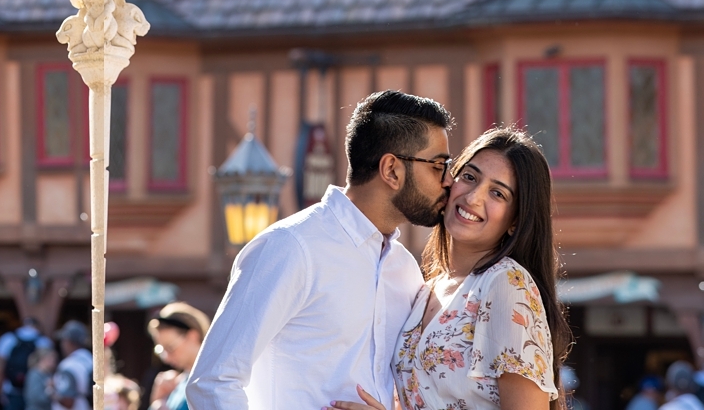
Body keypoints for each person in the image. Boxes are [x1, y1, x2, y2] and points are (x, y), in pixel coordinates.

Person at [187, 90, 454, 410]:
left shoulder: (405, 269)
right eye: (439, 166)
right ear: (392, 170)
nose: (449, 181)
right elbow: (214, 382)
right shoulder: (289, 247)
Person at [330, 127, 571, 410]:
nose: (472, 198)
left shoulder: (507, 284)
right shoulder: (426, 289)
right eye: (469, 177)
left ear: (516, 220)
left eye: (497, 193)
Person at [147, 303, 210, 410]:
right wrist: (159, 400)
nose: (165, 358)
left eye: (170, 348)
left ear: (193, 336)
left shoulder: (212, 380)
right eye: (161, 350)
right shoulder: (177, 384)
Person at [0, 319, 53, 410]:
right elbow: (50, 366)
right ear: (38, 327)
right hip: (35, 392)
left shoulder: (7, 339)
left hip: (12, 390)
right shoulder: (43, 341)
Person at [52, 321, 92, 410]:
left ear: (69, 342)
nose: (62, 344)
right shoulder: (91, 360)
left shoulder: (68, 365)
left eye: (63, 341)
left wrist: (51, 391)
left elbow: (68, 401)